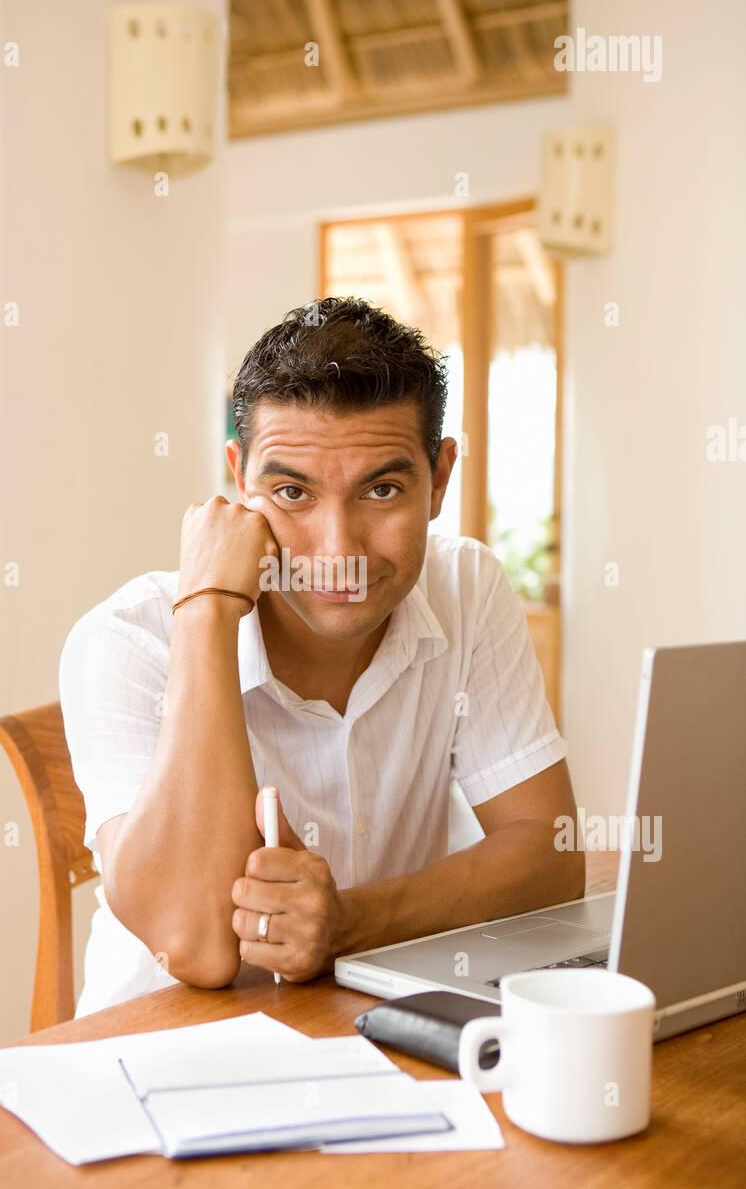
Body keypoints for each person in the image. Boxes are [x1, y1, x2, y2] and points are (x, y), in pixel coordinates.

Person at [59, 296, 582, 1017]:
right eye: (292, 492)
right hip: (155, 1060)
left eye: (383, 489)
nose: (337, 552)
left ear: (442, 476)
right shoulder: (128, 639)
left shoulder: (466, 587)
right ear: (239, 477)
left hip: (362, 1034)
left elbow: (551, 854)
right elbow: (196, 946)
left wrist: (350, 924)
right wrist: (208, 609)